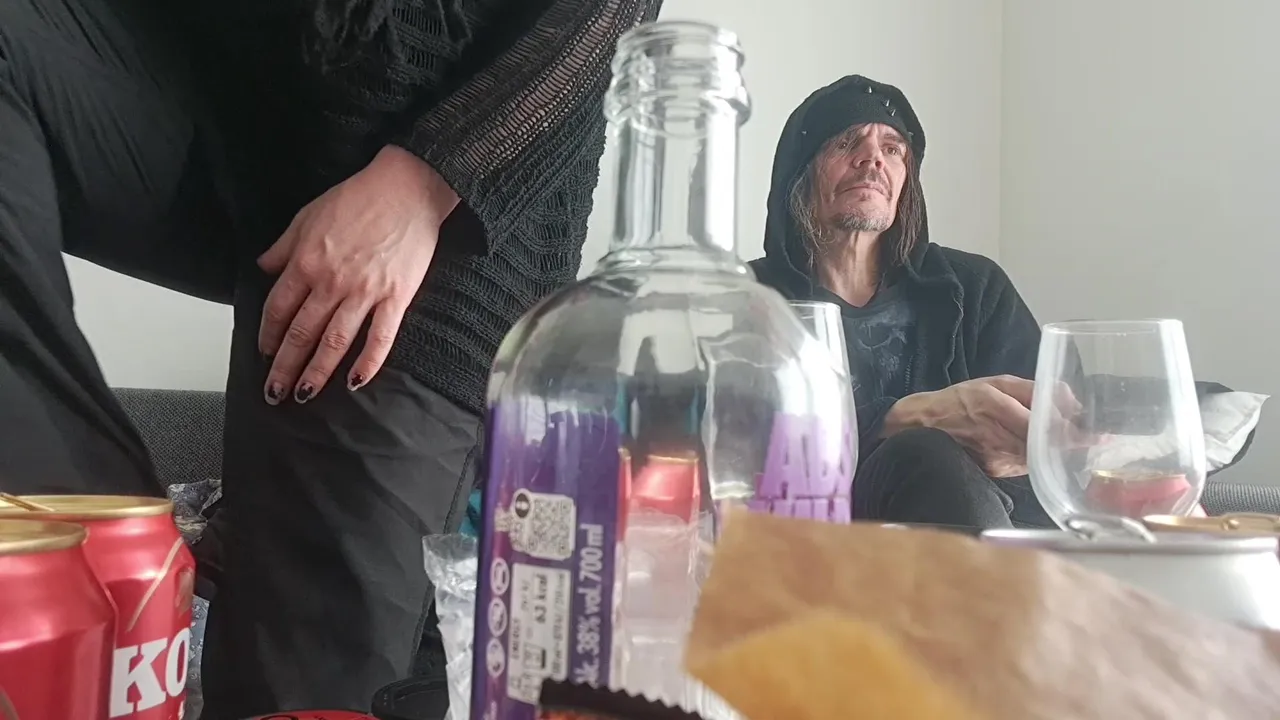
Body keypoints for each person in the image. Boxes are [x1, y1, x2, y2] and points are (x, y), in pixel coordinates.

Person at [0, 0, 660, 717]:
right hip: (221, 101)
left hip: (418, 226)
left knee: (296, 696)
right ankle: (89, 524)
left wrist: (424, 183)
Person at [750, 75, 1251, 530]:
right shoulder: (746, 300)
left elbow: (1052, 424)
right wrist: (902, 417)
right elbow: (732, 443)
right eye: (846, 143)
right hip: (805, 535)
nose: (873, 159)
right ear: (801, 170)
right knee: (924, 452)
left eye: (893, 148)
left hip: (978, 528)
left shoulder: (973, 286)